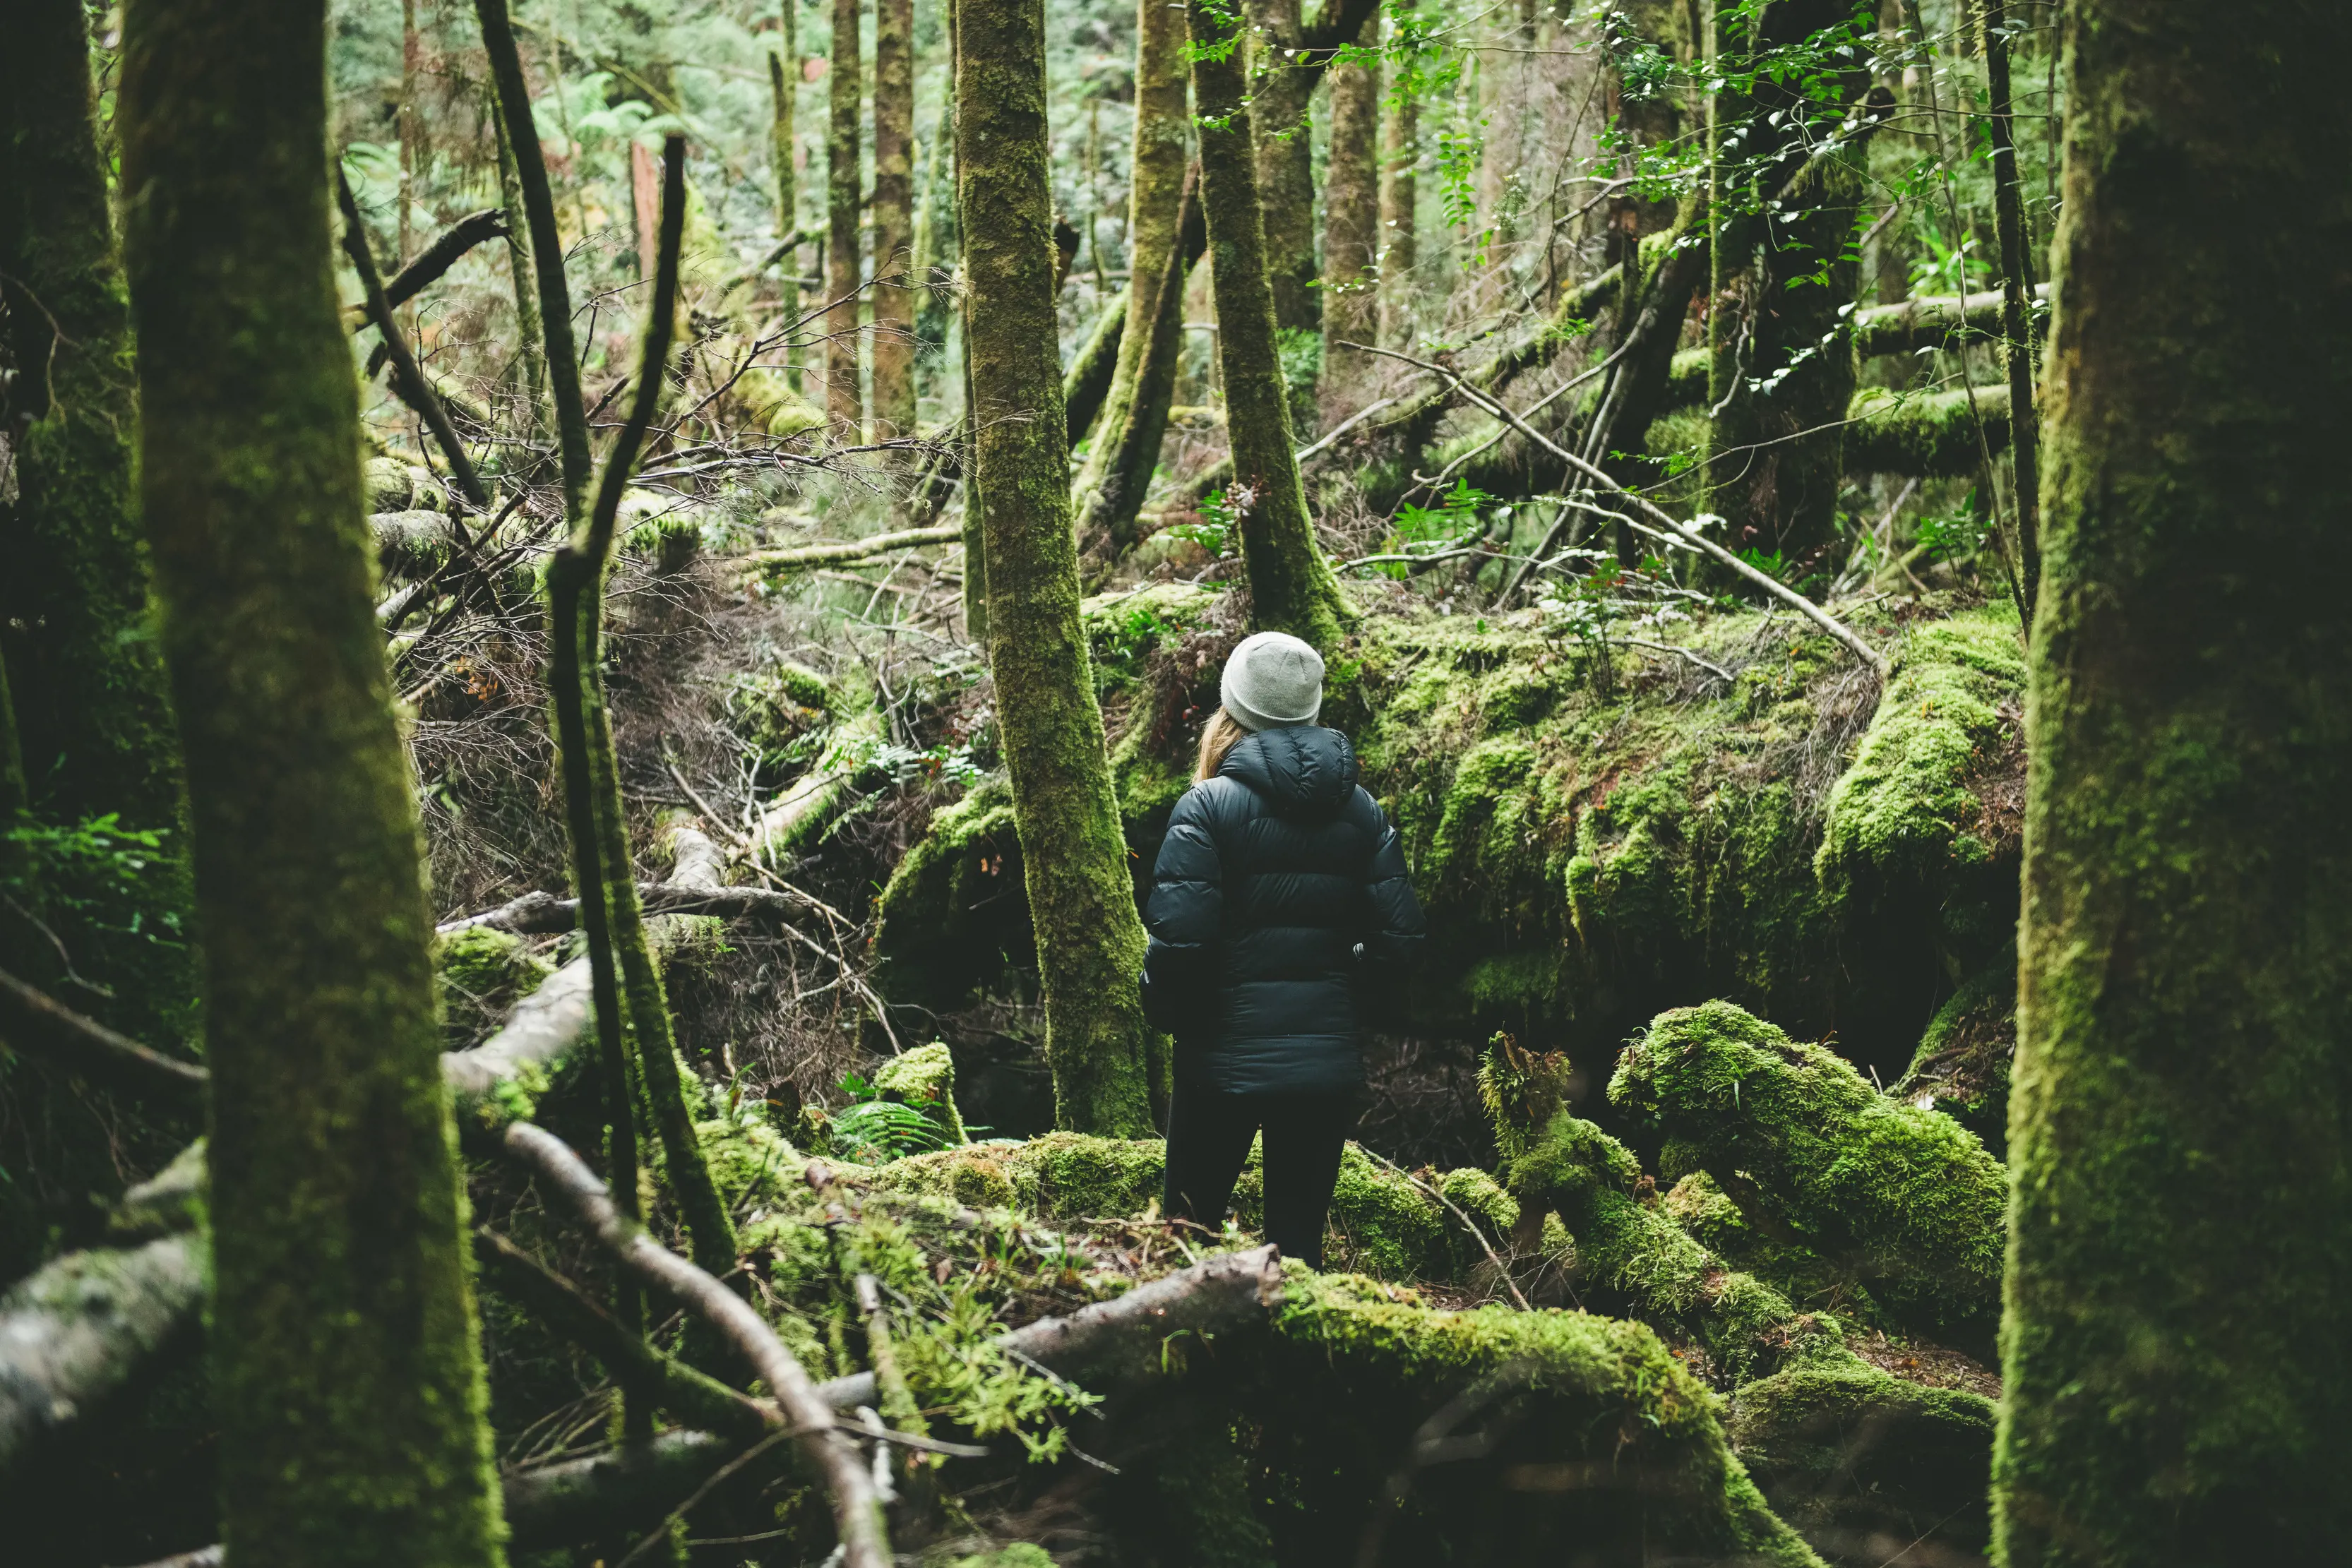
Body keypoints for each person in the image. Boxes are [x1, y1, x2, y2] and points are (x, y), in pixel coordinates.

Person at [1140, 630, 1426, 1267]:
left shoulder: (1207, 807)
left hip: (1218, 1063)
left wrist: (1167, 1018)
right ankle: (1286, 1364)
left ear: (1230, 709)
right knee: (1296, 1256)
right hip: (1321, 1070)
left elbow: (1178, 944)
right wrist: (1339, 994)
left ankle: (1188, 1361)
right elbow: (1400, 942)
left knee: (1187, 1242)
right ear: (1311, 707)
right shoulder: (1361, 811)